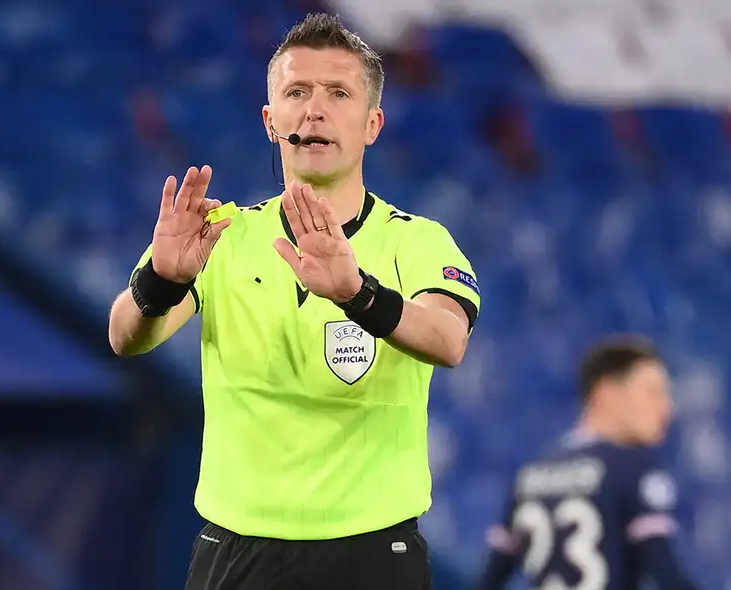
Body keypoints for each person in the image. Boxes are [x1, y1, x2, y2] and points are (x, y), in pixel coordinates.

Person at [108, 12, 481, 590]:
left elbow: (447, 339)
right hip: (237, 548)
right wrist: (161, 277)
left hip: (373, 550)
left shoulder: (417, 240)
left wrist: (357, 293)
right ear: (270, 119)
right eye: (296, 92)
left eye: (339, 93)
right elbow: (125, 334)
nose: (315, 109)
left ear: (372, 123)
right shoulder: (217, 234)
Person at [476, 337, 699, 590]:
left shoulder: (530, 474)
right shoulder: (633, 468)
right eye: (652, 392)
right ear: (605, 393)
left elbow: (489, 580)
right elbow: (665, 571)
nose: (666, 408)